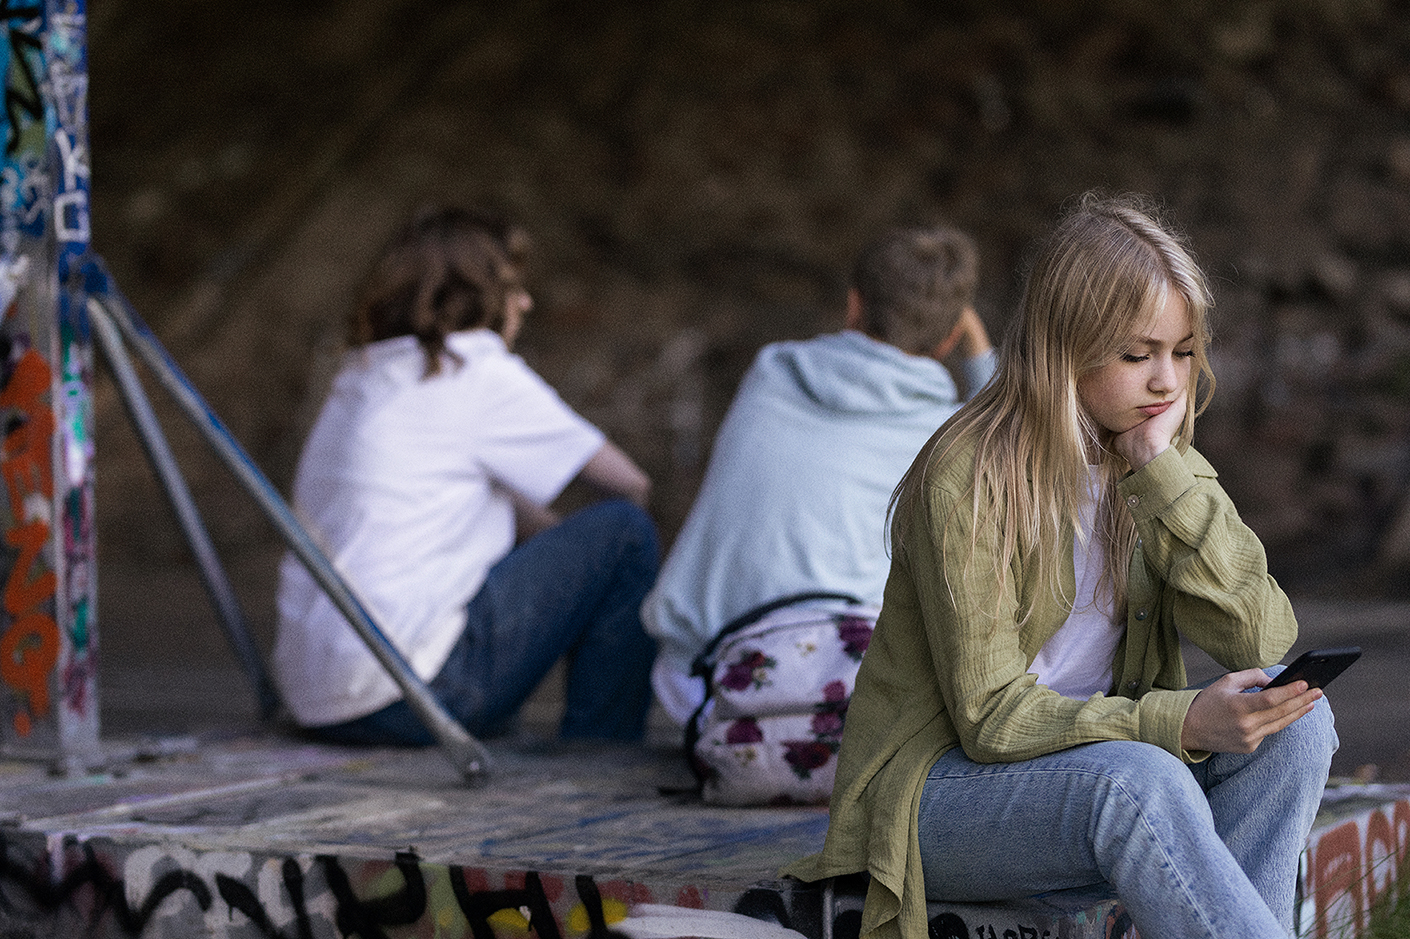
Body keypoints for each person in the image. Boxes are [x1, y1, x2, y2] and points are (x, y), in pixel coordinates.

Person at [783, 193, 1337, 938]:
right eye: (1137, 355)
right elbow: (988, 718)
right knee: (1140, 777)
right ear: (1064, 348)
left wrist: (1166, 482)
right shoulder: (967, 473)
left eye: (1182, 352)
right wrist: (1179, 721)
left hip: (1088, 784)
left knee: (1299, 720)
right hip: (938, 798)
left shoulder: (1155, 456)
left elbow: (1262, 639)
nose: (1167, 383)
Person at [274, 205, 660, 746]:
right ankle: (600, 751)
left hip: (323, 701)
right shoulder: (473, 366)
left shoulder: (361, 375)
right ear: (475, 296)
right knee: (624, 533)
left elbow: (497, 506)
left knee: (503, 549)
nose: (526, 303)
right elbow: (628, 484)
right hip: (415, 695)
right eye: (513, 288)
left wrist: (564, 569)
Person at [640, 224, 998, 725]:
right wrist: (977, 347)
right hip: (845, 699)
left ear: (854, 305)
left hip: (701, 693)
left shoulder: (772, 372)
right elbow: (1018, 435)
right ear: (950, 339)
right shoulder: (950, 432)